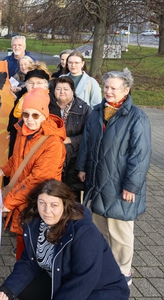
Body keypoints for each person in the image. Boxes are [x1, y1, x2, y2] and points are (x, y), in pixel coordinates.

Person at [0, 180, 130, 300]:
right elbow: (28, 263)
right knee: (23, 289)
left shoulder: (85, 232)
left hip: (100, 290)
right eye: (42, 203)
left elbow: (83, 281)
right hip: (61, 279)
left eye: (54, 205)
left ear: (64, 205)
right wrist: (8, 290)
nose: (47, 210)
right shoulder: (35, 223)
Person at [77, 69, 151, 285]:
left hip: (120, 185)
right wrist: (82, 167)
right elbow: (87, 143)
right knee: (100, 227)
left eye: (113, 88)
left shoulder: (137, 117)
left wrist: (132, 186)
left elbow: (140, 156)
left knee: (120, 231)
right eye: (106, 87)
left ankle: (123, 272)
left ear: (126, 90)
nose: (108, 91)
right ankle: (105, 265)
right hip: (97, 181)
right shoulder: (97, 111)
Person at [0, 88, 66, 260]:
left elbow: (38, 179)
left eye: (35, 115)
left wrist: (9, 201)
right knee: (24, 245)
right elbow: (18, 158)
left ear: (45, 114)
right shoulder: (23, 132)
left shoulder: (53, 144)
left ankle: (29, 282)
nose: (29, 120)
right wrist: (5, 169)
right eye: (26, 114)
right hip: (24, 201)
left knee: (35, 249)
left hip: (40, 205)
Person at [52, 77, 91, 201]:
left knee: (71, 198)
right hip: (52, 157)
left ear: (72, 90)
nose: (62, 92)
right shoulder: (48, 106)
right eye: (58, 89)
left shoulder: (84, 109)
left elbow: (90, 134)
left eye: (66, 89)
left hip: (73, 158)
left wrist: (71, 140)